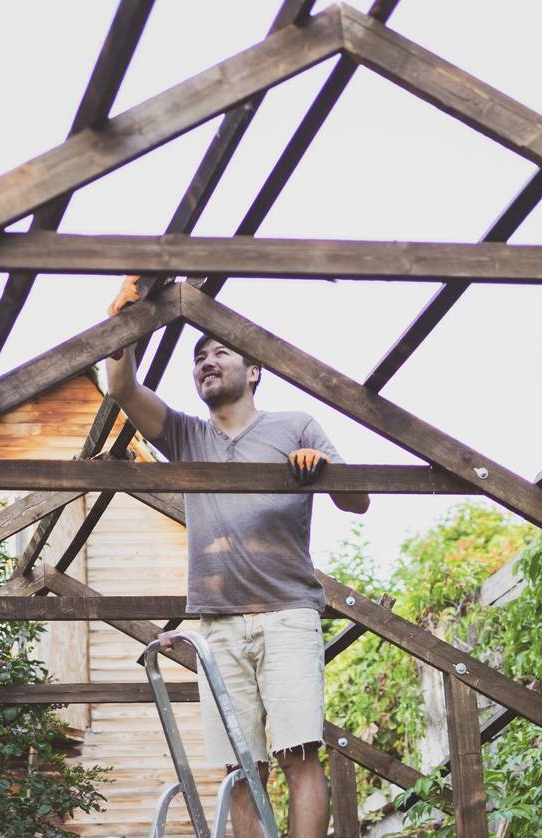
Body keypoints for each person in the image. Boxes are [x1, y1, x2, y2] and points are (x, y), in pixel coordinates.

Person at [104, 276, 370, 838]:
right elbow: (124, 391)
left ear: (253, 372)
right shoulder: (187, 435)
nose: (207, 360)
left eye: (221, 351)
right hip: (219, 625)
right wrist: (122, 328)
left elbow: (358, 500)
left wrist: (319, 467)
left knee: (300, 755)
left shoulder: (294, 426)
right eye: (199, 356)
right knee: (242, 771)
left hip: (286, 615)